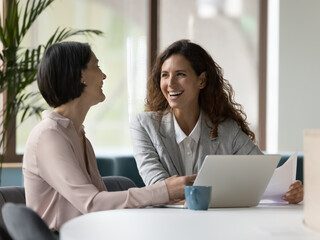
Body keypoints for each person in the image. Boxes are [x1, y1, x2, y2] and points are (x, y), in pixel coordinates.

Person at [22, 41, 196, 231]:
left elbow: (101, 207)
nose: (103, 75)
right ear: (81, 76)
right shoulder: (49, 135)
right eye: (96, 66)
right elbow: (92, 204)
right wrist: (164, 190)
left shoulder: (79, 136)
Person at [130, 39, 303, 204]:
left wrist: (290, 191)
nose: (170, 83)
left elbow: (262, 176)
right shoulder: (144, 125)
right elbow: (157, 187)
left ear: (202, 80)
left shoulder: (227, 129)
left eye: (180, 74)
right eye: (164, 75)